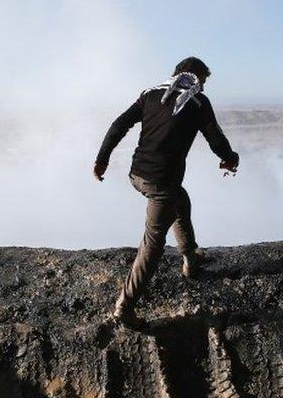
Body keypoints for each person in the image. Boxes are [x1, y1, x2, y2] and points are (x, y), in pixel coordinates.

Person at [93, 57, 239, 328]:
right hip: (160, 185)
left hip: (136, 175)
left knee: (180, 200)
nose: (203, 86)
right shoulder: (197, 103)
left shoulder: (150, 95)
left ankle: (190, 261)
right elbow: (215, 138)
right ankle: (124, 307)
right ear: (197, 77)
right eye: (203, 81)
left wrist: (102, 160)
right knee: (152, 245)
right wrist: (231, 158)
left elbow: (118, 125)